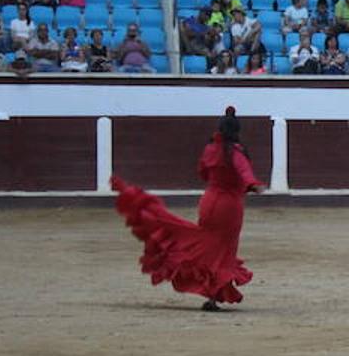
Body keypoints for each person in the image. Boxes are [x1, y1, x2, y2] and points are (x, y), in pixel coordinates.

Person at [110, 107, 262, 311]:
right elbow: (245, 172)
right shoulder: (235, 152)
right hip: (229, 206)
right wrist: (253, 185)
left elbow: (203, 173)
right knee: (223, 249)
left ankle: (212, 293)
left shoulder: (211, 149)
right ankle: (213, 296)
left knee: (206, 243)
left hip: (209, 201)